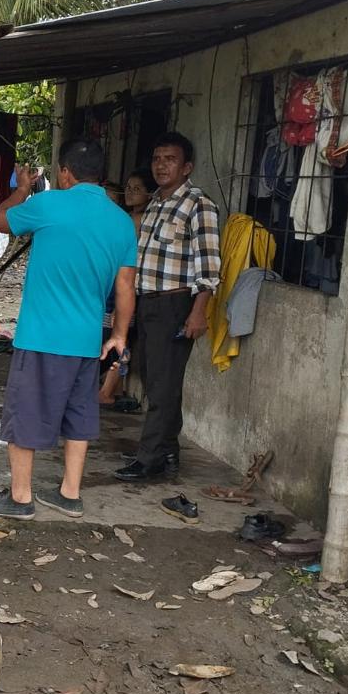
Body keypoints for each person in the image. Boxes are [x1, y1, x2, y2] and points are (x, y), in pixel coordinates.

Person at [0, 140, 137, 520]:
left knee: (25, 414)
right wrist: (119, 335)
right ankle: (69, 494)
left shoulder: (48, 205)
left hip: (42, 336)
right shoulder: (121, 222)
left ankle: (20, 498)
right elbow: (126, 286)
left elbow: (0, 222)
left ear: (65, 173)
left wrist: (21, 190)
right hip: (87, 342)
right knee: (80, 416)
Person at [114, 132, 221, 482]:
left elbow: (209, 265)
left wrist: (198, 311)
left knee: (162, 386)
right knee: (157, 380)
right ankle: (168, 449)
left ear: (187, 167)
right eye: (157, 159)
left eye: (170, 159)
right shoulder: (156, 203)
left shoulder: (198, 205)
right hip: (148, 303)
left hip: (175, 304)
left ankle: (149, 458)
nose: (161, 166)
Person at [98, 169, 158, 408]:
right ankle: (109, 389)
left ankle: (106, 391)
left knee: (118, 339)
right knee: (115, 337)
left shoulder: (138, 220)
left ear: (150, 194)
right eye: (129, 188)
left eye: (137, 189)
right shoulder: (128, 218)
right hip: (119, 285)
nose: (131, 192)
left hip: (125, 286)